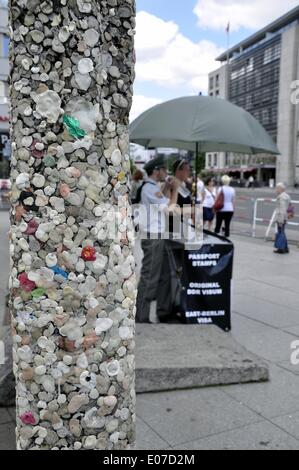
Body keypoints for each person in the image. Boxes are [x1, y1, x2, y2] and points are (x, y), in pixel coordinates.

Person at [135, 156, 178, 323]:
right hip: (153, 237)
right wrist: (174, 190)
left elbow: (162, 201)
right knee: (149, 277)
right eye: (164, 169)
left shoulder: (152, 187)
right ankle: (141, 316)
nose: (166, 173)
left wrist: (167, 187)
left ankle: (143, 314)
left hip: (155, 235)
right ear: (156, 171)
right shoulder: (150, 188)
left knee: (153, 275)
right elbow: (169, 208)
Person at [273, 183, 291, 254]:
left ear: (281, 189)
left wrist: (280, 220)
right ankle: (285, 248)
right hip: (284, 217)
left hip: (281, 217)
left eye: (277, 188)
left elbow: (282, 209)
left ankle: (281, 248)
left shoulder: (282, 197)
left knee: (281, 232)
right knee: (282, 232)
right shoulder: (287, 196)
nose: (276, 190)